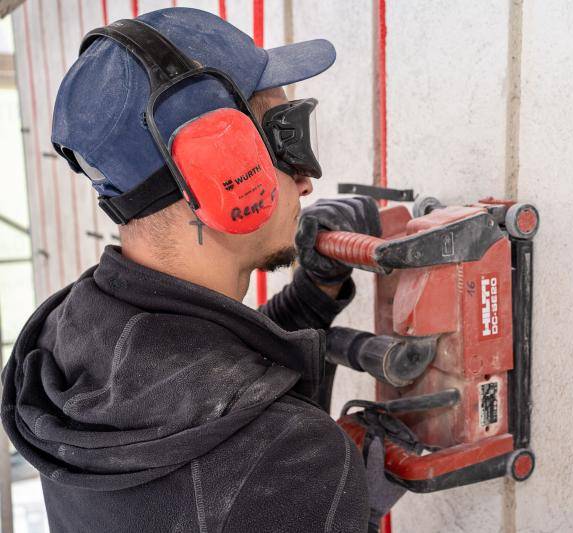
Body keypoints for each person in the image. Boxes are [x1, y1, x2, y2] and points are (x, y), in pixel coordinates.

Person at [1, 7, 401, 532]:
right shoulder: (290, 457)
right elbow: (252, 447)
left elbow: (194, 379)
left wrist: (312, 297)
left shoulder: (65, 341)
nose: (305, 181)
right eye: (287, 138)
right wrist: (348, 507)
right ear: (221, 173)